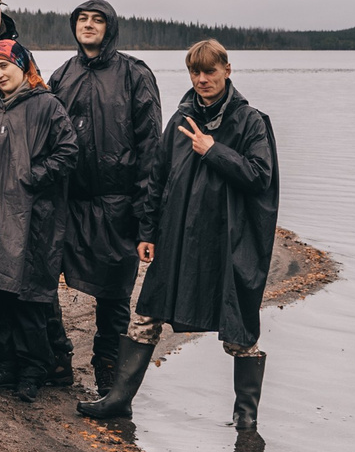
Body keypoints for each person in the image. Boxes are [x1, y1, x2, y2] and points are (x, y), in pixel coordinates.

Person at [81, 41, 279, 427]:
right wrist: (148, 231)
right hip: (176, 238)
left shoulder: (250, 121)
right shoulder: (180, 119)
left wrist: (213, 150)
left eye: (210, 72)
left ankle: (246, 419)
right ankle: (118, 400)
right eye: (195, 72)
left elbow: (260, 177)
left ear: (228, 70)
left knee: (239, 330)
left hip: (227, 244)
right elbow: (157, 179)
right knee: (146, 315)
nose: (202, 80)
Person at [48, 0, 161, 395]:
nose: (89, 25)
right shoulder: (62, 75)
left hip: (118, 204)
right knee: (45, 283)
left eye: (98, 20)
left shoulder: (134, 74)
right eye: (83, 19)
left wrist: (147, 216)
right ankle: (57, 359)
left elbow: (151, 148)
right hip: (69, 203)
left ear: (109, 27)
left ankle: (108, 377)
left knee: (113, 296)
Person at [0, 39, 79, 403]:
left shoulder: (47, 106)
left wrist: (33, 175)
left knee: (26, 294)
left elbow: (69, 152)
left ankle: (33, 369)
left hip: (31, 218)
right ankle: (4, 363)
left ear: (23, 67)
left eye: (4, 66)